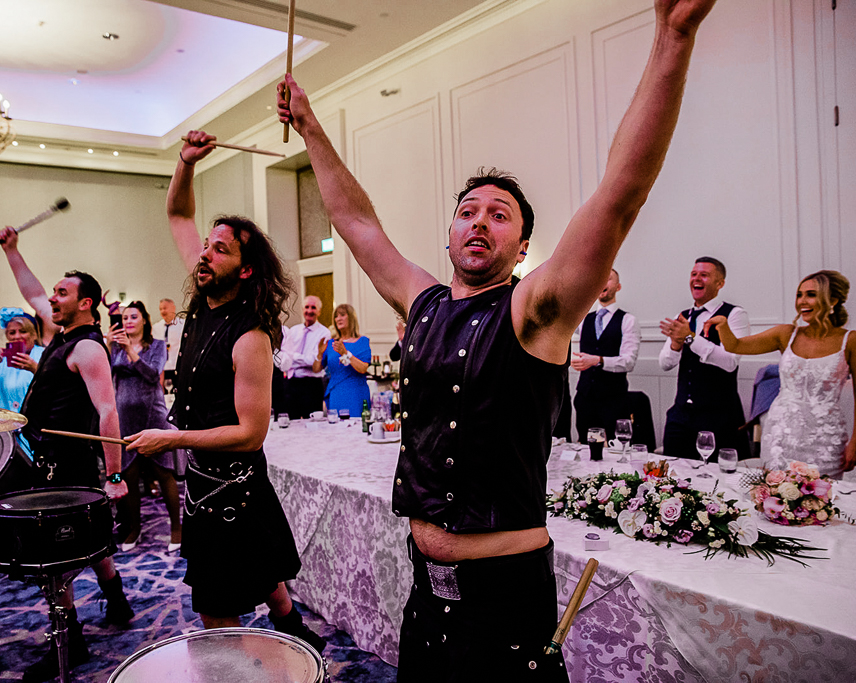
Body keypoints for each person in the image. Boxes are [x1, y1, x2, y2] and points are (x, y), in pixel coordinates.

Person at [277, 0, 717, 676]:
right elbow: (359, 224)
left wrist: (674, 36)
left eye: (500, 214)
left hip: (507, 597)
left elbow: (620, 193)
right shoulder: (422, 302)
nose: (479, 221)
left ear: (522, 245)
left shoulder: (534, 309)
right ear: (449, 233)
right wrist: (309, 125)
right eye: (467, 211)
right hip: (425, 591)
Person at [124, 133, 324, 653]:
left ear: (246, 267)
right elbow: (177, 216)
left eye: (220, 249)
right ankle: (293, 627)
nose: (205, 255)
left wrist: (171, 441)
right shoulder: (202, 301)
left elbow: (250, 433)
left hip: (232, 485)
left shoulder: (251, 337)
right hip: (206, 482)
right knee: (264, 572)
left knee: (216, 613)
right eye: (206, 247)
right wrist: (185, 163)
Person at [0, 227, 133, 683]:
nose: (50, 299)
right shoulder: (62, 332)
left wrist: (114, 476)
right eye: (53, 293)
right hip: (49, 456)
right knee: (85, 539)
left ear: (85, 303)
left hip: (68, 464)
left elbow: (108, 412)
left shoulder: (88, 346)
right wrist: (13, 251)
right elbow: (31, 289)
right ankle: (116, 598)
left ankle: (70, 641)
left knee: (55, 556)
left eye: (62, 293)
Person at [704, 270, 856, 477]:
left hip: (826, 438)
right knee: (774, 497)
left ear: (834, 300)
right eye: (799, 294)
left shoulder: (853, 341)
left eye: (810, 294)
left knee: (822, 499)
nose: (802, 301)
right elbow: (735, 345)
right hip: (780, 435)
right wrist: (723, 326)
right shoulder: (786, 334)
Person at [107, 300, 182, 553]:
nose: (128, 321)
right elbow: (105, 376)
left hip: (152, 416)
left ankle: (176, 529)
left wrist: (131, 351)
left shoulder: (157, 346)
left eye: (133, 317)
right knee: (129, 475)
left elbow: (153, 375)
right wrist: (109, 346)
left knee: (163, 473)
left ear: (144, 321)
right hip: (125, 418)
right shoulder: (116, 348)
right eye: (125, 317)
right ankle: (134, 529)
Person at [658, 257, 751, 460]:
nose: (696, 279)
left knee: (714, 481)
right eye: (694, 274)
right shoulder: (682, 316)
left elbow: (730, 362)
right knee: (672, 476)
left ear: (720, 283)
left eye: (704, 275)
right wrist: (675, 344)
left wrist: (690, 337)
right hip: (680, 414)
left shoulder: (734, 315)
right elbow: (665, 364)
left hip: (718, 417)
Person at [571, 269, 641, 442]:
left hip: (614, 401)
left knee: (617, 451)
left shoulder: (628, 320)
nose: (603, 282)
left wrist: (598, 360)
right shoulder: (582, 319)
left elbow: (628, 361)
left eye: (608, 279)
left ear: (618, 287)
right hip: (585, 399)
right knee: (589, 449)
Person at [0, 308, 44, 413]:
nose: (17, 337)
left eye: (23, 331)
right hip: (9, 422)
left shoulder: (44, 355)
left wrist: (35, 369)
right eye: (12, 333)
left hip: (36, 422)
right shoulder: (3, 361)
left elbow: (55, 390)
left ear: (34, 334)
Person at [314, 303, 372, 416]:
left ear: (351, 317)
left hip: (356, 393)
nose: (338, 319)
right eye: (336, 316)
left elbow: (363, 368)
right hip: (336, 394)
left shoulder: (362, 341)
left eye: (342, 315)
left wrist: (345, 353)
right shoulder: (331, 343)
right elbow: (316, 369)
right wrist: (319, 354)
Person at [279, 295, 331, 418]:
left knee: (313, 423)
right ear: (302, 310)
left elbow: (313, 360)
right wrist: (297, 358)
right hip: (291, 383)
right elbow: (284, 356)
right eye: (306, 307)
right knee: (291, 422)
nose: (309, 311)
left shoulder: (324, 333)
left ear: (319, 311)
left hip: (312, 385)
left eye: (313, 308)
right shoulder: (293, 330)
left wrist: (293, 357)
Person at [152, 297, 185, 385]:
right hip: (162, 369)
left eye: (165, 308)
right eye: (160, 309)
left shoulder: (183, 325)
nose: (163, 311)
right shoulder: (155, 328)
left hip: (178, 367)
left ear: (173, 308)